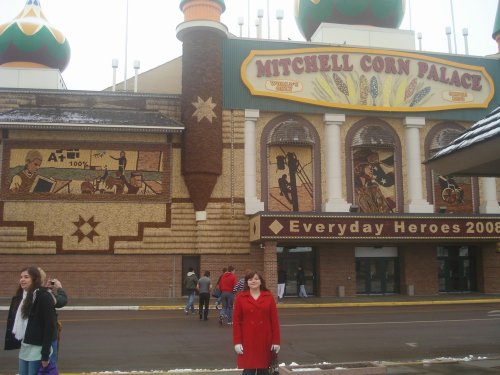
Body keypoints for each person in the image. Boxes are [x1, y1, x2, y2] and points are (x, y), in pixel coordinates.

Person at [4, 266, 57, 375]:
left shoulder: (43, 296)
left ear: (35, 279)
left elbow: (49, 326)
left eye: (26, 277)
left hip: (38, 350)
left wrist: (45, 355)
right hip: (25, 347)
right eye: (21, 277)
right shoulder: (22, 297)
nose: (22, 280)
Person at [233, 271, 281, 375]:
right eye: (250, 279)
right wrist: (237, 342)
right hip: (248, 340)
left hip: (265, 340)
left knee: (263, 370)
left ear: (260, 282)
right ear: (247, 282)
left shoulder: (268, 297)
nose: (253, 281)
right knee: (248, 371)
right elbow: (237, 322)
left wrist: (276, 341)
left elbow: (274, 321)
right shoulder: (240, 298)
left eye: (256, 279)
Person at [38, 268, 68, 364]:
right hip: (47, 338)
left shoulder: (29, 294)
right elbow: (61, 301)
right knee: (50, 364)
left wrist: (48, 289)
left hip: (32, 338)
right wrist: (59, 288)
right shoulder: (45, 295)